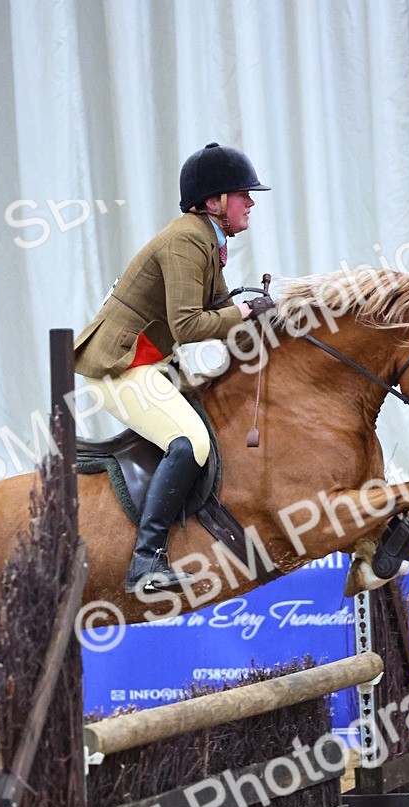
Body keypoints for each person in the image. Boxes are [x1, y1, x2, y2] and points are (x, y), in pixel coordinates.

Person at [74, 142, 272, 595]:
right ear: (214, 202)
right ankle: (145, 562)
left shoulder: (206, 238)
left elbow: (219, 305)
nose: (251, 202)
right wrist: (242, 313)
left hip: (151, 362)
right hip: (121, 367)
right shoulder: (187, 239)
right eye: (243, 193)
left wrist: (270, 310)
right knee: (190, 442)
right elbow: (189, 324)